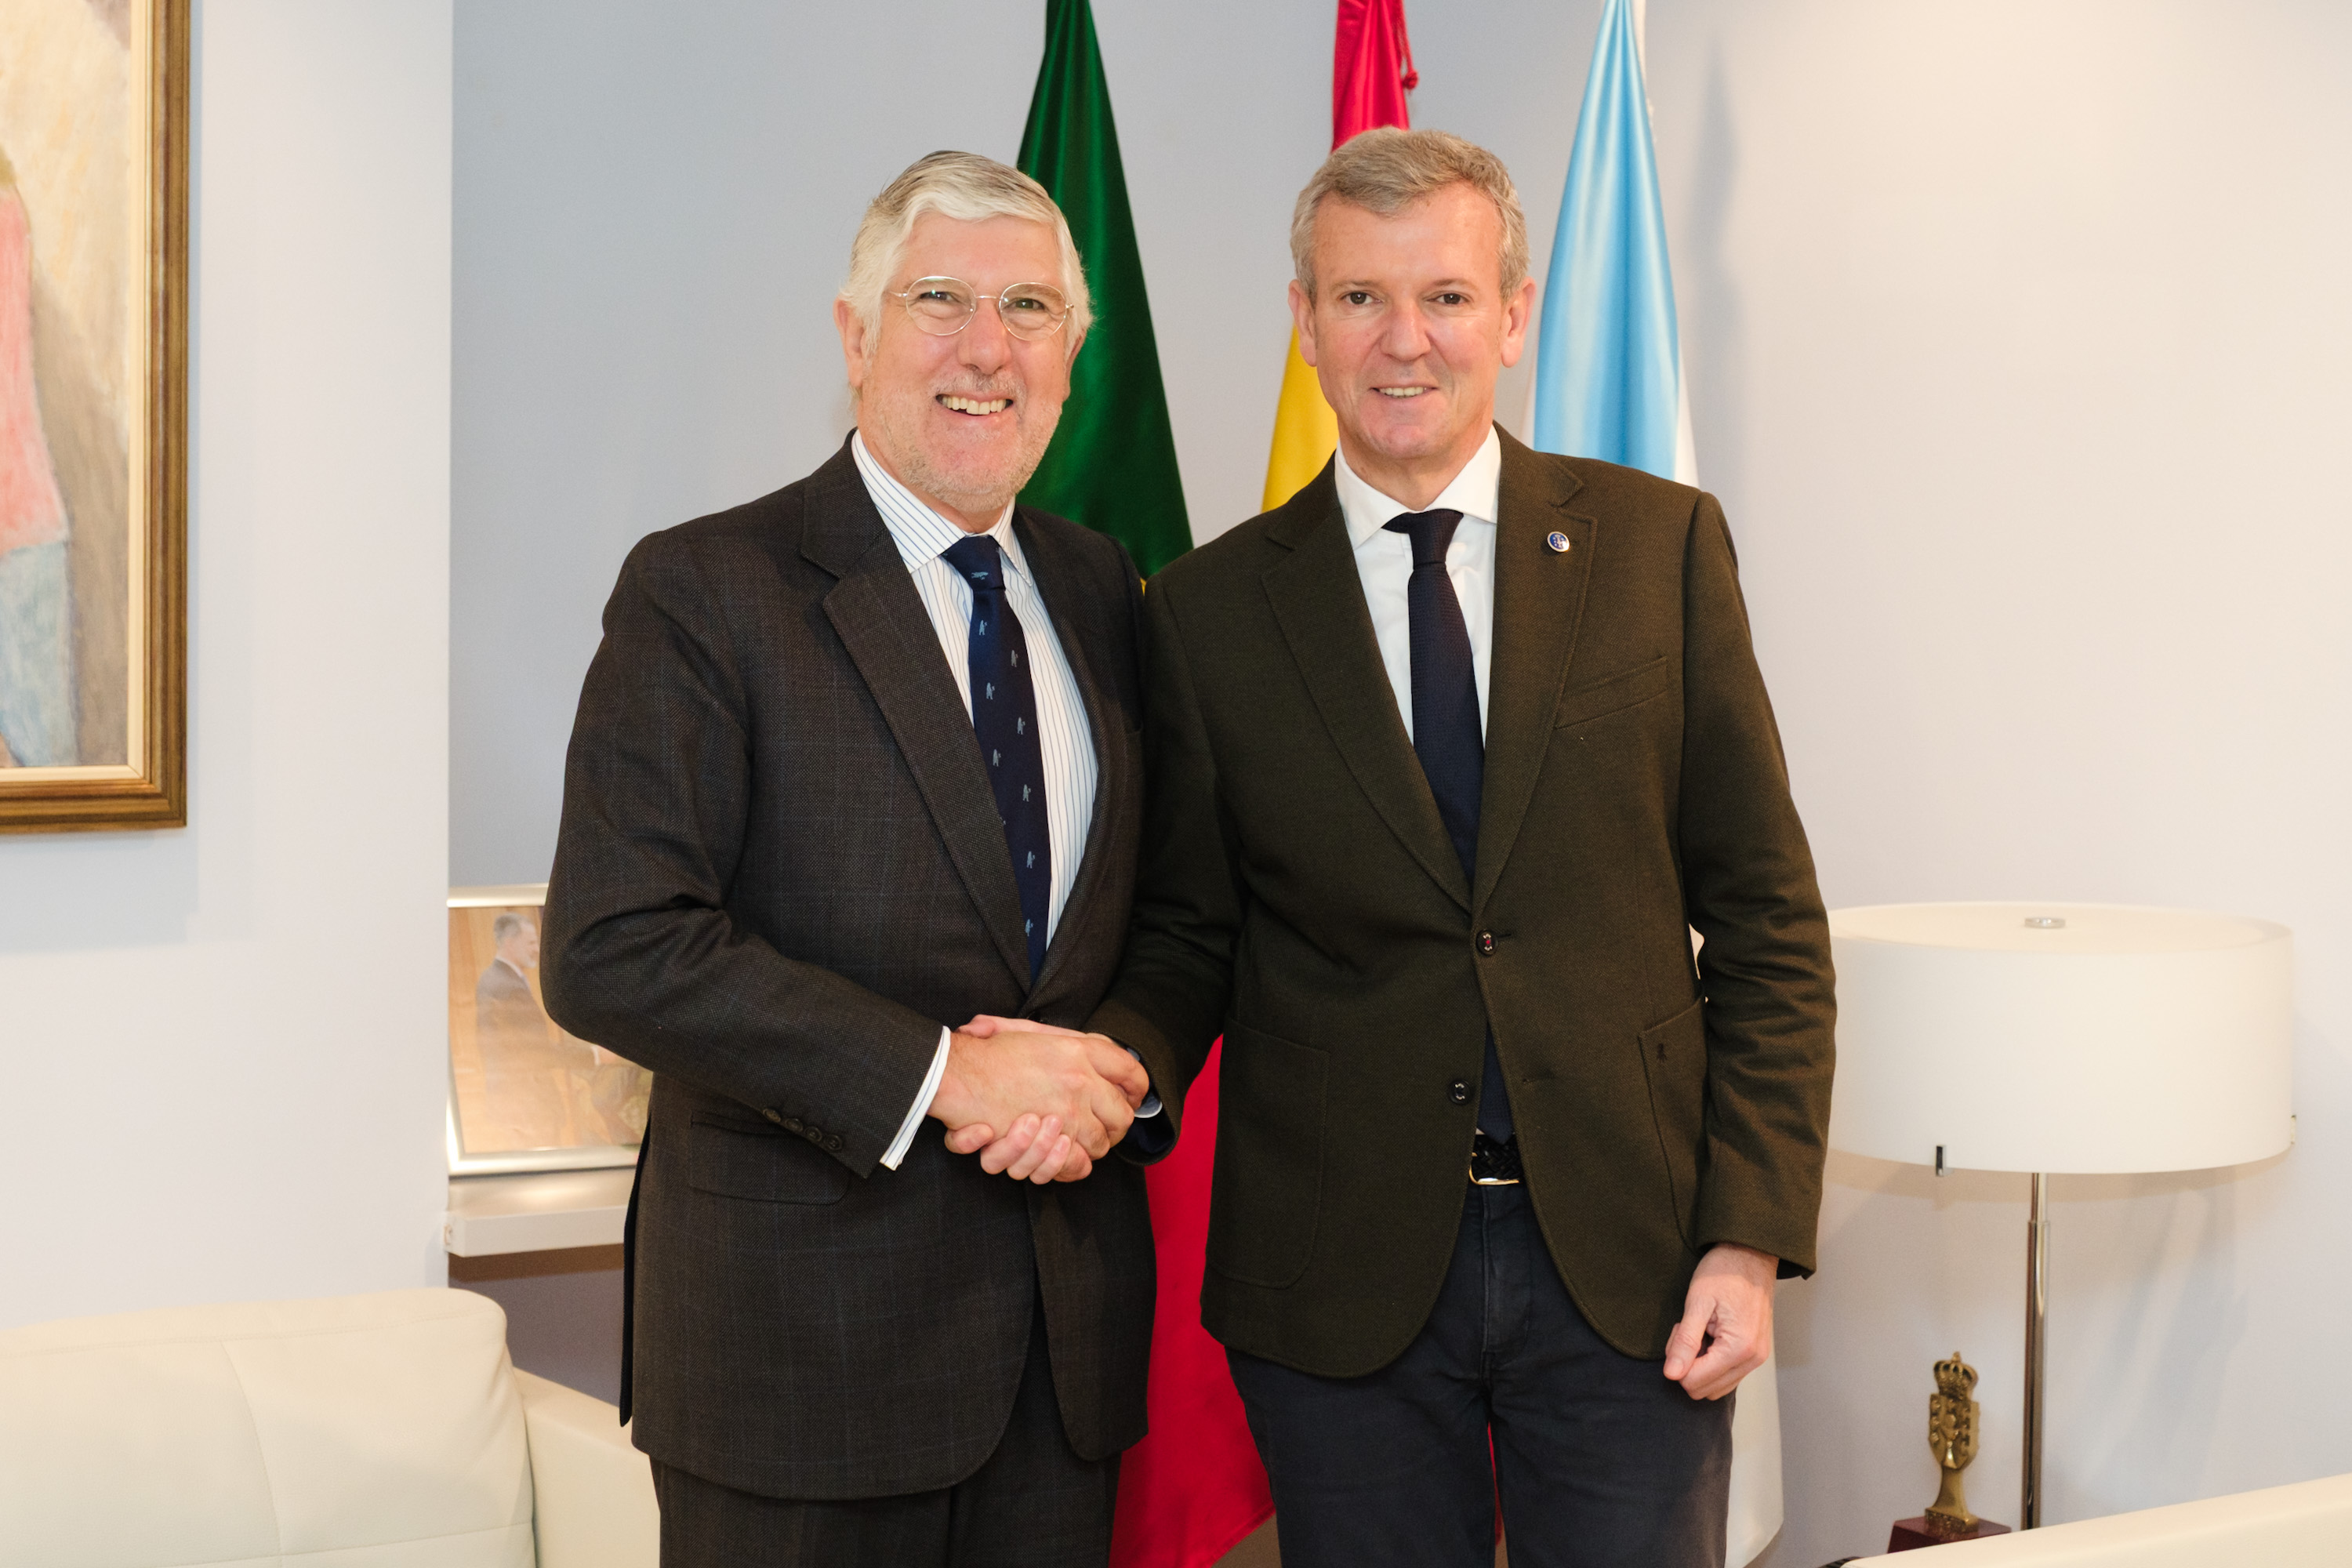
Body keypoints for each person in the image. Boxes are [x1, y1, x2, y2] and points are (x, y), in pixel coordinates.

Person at [1076, 128, 1836, 1567]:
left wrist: (1747, 1233)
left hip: (1631, 1267)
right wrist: (1105, 1073)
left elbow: (1768, 926)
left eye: (1445, 296)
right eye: (1360, 297)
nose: (1404, 339)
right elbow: (1189, 935)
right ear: (1306, 322)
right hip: (1338, 1285)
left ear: (1514, 313)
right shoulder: (1207, 612)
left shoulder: (1660, 549)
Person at [540, 151, 1162, 1568]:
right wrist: (947, 1075)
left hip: (1059, 1372)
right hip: (797, 1371)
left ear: (1072, 356)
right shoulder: (707, 587)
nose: (986, 347)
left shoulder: (1104, 588)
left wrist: (1106, 1080)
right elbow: (616, 943)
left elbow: (1165, 914)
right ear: (856, 334)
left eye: (1029, 308)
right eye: (940, 298)